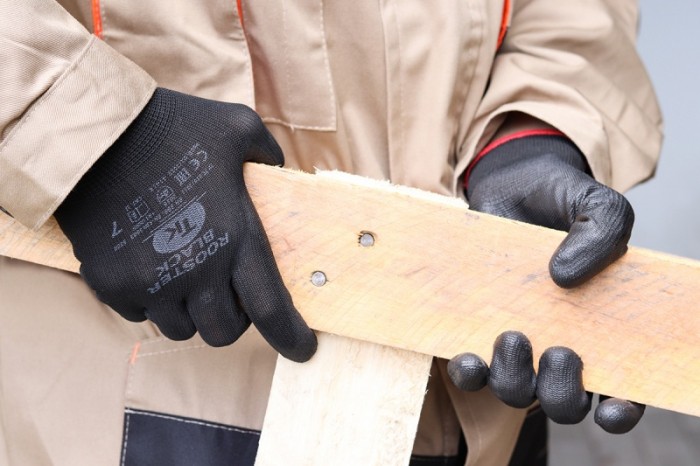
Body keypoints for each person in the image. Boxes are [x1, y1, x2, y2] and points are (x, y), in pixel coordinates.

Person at [0, 1, 662, 465]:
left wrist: (530, 134)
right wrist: (85, 132)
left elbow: (574, 16)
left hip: (473, 414)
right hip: (135, 400)